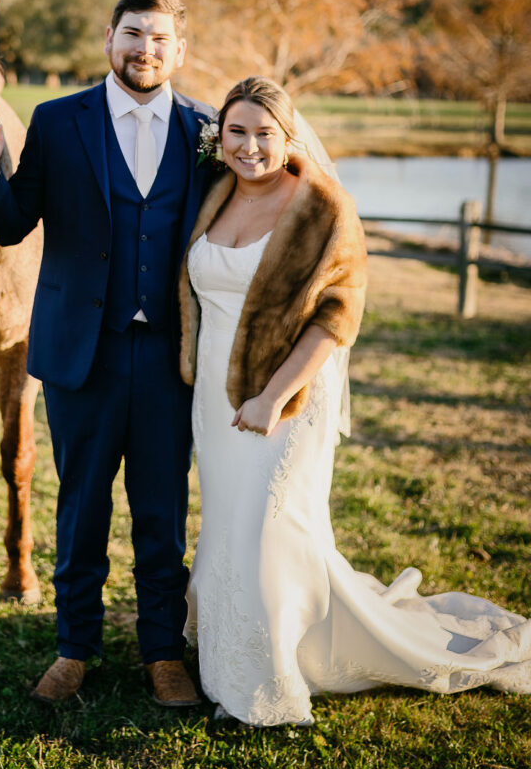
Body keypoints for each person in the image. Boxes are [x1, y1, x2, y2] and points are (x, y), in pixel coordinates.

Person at [178, 76, 531, 726]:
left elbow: (336, 318)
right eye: (236, 132)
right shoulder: (217, 195)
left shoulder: (320, 207)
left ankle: (266, 683)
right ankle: (241, 645)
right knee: (229, 527)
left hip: (284, 400)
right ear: (218, 138)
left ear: (290, 138)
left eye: (265, 134)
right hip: (216, 404)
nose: (250, 146)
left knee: (269, 528)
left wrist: (271, 397)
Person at [0, 0, 215, 705]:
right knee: (80, 509)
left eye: (161, 39)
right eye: (134, 34)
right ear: (110, 38)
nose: (147, 49)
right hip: (82, 354)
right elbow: (14, 223)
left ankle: (162, 654)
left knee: (162, 512)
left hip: (171, 359)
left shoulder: (207, 131)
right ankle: (74, 650)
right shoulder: (55, 121)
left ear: (179, 50)